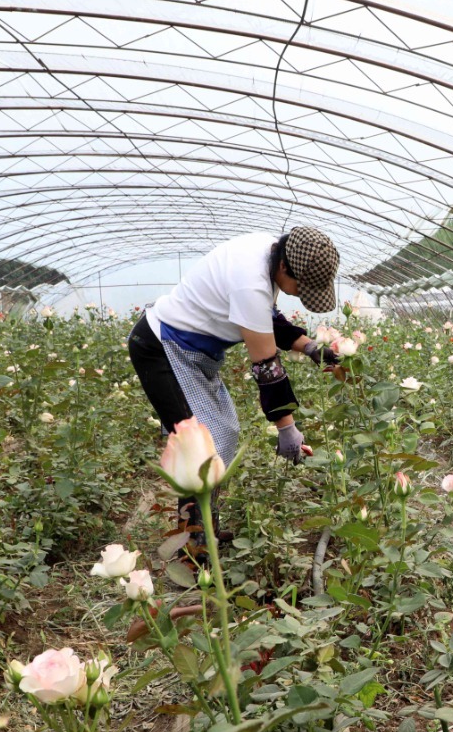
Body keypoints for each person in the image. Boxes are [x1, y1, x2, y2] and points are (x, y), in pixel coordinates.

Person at [128, 228, 340, 540]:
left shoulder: (268, 251)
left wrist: (311, 347)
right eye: (300, 287)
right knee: (196, 446)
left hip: (192, 353)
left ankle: (205, 531)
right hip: (161, 349)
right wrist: (287, 428)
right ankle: (193, 548)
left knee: (221, 435)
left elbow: (269, 320)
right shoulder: (250, 282)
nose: (297, 293)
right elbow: (267, 367)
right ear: (285, 267)